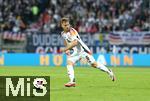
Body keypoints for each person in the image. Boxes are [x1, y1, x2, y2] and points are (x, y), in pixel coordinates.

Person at [60, 17, 116, 87]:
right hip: (76, 53)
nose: (67, 26)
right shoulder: (63, 33)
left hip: (83, 51)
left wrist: (65, 49)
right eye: (65, 25)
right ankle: (72, 81)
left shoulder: (72, 31)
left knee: (94, 64)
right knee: (69, 62)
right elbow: (65, 40)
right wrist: (68, 49)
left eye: (68, 24)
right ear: (62, 25)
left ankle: (109, 71)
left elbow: (75, 43)